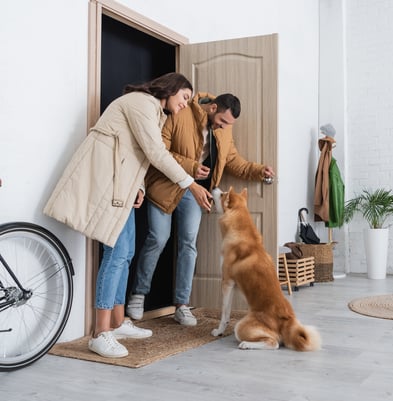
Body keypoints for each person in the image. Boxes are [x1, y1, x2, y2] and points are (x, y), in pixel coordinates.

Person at [44, 73, 213, 359]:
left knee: (127, 251)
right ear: (171, 89)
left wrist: (138, 186)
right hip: (108, 182)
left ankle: (118, 322)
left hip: (122, 184)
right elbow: (155, 152)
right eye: (184, 97)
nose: (186, 104)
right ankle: (100, 333)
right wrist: (191, 184)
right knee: (117, 254)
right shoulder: (141, 103)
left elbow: (136, 155)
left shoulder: (154, 112)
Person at [126, 92, 275, 326]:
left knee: (189, 244)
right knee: (158, 238)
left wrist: (258, 171)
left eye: (228, 125)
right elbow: (158, 148)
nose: (224, 127)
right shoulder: (181, 113)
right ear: (212, 107)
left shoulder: (224, 130)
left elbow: (233, 161)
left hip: (195, 194)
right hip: (166, 185)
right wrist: (191, 166)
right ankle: (138, 294)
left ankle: (182, 305)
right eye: (223, 121)